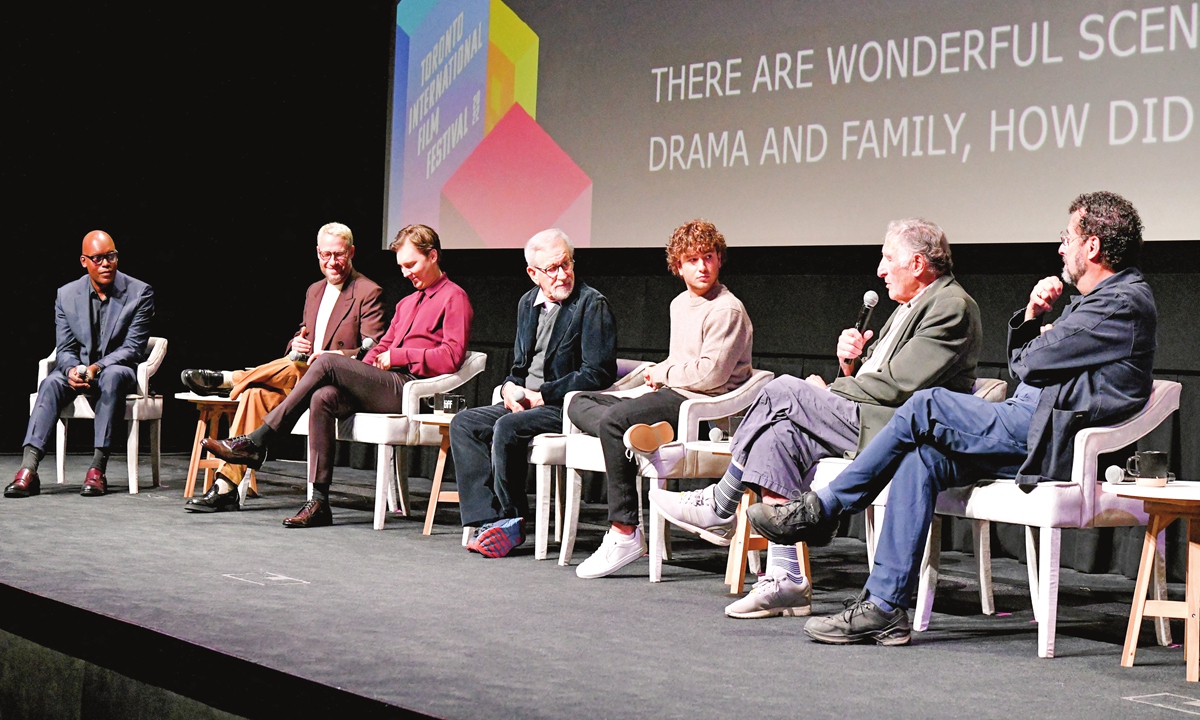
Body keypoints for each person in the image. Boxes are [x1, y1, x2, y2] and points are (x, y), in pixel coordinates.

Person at [750, 191, 1156, 645]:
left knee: (927, 404)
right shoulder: (1098, 301)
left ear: (1093, 247)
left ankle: (823, 510)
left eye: (1068, 238)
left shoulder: (1121, 302)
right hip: (1029, 420)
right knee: (919, 458)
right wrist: (1035, 316)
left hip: (1046, 433)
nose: (1061, 248)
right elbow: (1031, 357)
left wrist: (1040, 335)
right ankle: (885, 607)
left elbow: (1027, 364)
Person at [651, 218, 981, 618]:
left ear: (916, 264)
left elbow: (899, 387)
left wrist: (830, 390)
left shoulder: (951, 305)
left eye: (887, 259)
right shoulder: (909, 307)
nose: (880, 270)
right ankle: (785, 576)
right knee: (779, 436)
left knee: (780, 389)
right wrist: (849, 368)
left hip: (902, 430)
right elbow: (876, 381)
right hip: (874, 415)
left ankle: (722, 501)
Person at [200, 224, 473, 526]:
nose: (406, 273)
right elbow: (382, 344)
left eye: (411, 265)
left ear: (433, 256)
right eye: (401, 266)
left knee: (327, 363)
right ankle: (319, 502)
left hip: (410, 389)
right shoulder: (408, 302)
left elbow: (451, 357)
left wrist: (398, 356)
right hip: (384, 384)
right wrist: (365, 368)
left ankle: (257, 441)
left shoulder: (453, 297)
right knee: (323, 397)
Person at [569, 219, 754, 579]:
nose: (702, 266)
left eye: (709, 257)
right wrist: (656, 374)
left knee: (612, 421)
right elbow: (679, 359)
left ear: (720, 260)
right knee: (578, 402)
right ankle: (638, 433)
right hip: (673, 393)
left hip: (699, 405)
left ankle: (624, 532)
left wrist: (663, 374)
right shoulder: (680, 304)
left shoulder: (726, 310)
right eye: (693, 259)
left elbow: (709, 376)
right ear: (678, 266)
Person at [182, 222, 386, 510]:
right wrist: (297, 345)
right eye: (325, 255)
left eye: (339, 255)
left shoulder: (368, 291)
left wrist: (330, 356)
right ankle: (226, 487)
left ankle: (229, 379)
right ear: (317, 253)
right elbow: (303, 335)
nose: (332, 262)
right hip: (304, 377)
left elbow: (374, 348)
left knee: (296, 370)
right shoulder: (314, 291)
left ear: (352, 252)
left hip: (341, 386)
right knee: (255, 393)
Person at [451, 229, 617, 558]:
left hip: (564, 405)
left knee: (507, 428)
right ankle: (488, 519)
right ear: (533, 273)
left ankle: (511, 520)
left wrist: (542, 395)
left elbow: (597, 372)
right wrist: (511, 388)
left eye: (566, 264)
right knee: (465, 423)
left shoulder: (591, 304)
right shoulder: (528, 303)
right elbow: (519, 366)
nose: (562, 274)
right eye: (552, 269)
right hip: (527, 400)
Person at [7, 230, 154, 498]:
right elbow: (64, 349)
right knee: (51, 382)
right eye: (98, 258)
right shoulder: (66, 295)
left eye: (111, 256)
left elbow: (132, 349)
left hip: (117, 372)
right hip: (82, 371)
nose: (106, 264)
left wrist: (96, 367)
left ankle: (97, 469)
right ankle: (28, 469)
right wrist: (72, 369)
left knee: (112, 376)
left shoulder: (139, 293)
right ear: (84, 261)